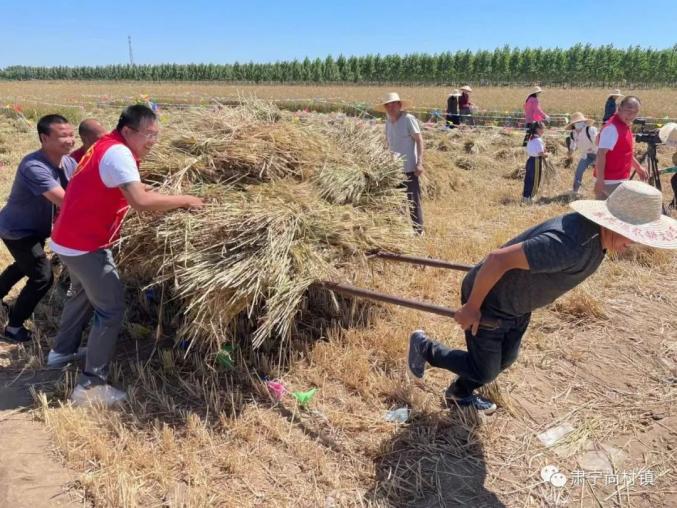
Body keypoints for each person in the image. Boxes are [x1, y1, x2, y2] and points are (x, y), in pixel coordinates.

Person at [407, 181, 677, 414]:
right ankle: (425, 348)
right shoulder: (568, 245)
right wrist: (472, 307)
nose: (634, 243)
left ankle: (459, 392)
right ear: (615, 222)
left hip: (518, 305)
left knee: (505, 360)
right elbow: (497, 260)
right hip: (492, 300)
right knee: (485, 371)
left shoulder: (597, 237)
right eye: (633, 235)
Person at [47, 105, 204, 407]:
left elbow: (121, 186)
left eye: (157, 135)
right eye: (149, 134)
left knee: (80, 294)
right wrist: (184, 200)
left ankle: (61, 353)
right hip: (85, 244)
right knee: (110, 309)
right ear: (128, 130)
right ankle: (91, 386)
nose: (153, 141)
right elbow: (140, 202)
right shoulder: (119, 153)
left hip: (66, 238)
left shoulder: (106, 145)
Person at [0, 114, 76, 342]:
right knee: (42, 277)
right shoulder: (34, 166)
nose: (71, 140)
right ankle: (13, 327)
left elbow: (82, 187)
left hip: (36, 229)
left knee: (25, 266)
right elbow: (67, 201)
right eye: (63, 136)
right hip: (17, 230)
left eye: (72, 135)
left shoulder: (69, 162)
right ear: (44, 138)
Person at [376, 92, 424, 234]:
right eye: (388, 106)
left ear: (399, 105)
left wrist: (420, 162)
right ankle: (401, 231)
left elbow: (419, 140)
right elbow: (387, 143)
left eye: (393, 105)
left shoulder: (408, 119)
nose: (390, 108)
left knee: (413, 201)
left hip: (409, 168)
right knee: (397, 202)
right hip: (394, 169)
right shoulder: (388, 122)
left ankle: (418, 231)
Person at [594, 96, 648, 199]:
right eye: (628, 111)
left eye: (635, 112)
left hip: (617, 180)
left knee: (605, 212)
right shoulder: (612, 128)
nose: (631, 115)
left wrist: (638, 167)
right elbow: (601, 153)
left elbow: (624, 153)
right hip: (610, 182)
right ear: (619, 108)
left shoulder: (624, 125)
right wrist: (600, 180)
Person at [565, 112, 598, 195]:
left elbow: (598, 142)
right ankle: (575, 190)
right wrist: (570, 152)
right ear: (573, 125)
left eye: (580, 122)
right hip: (586, 155)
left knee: (600, 173)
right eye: (576, 123)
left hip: (597, 154)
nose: (578, 124)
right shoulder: (573, 134)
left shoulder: (590, 130)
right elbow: (573, 145)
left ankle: (601, 191)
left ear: (583, 122)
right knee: (578, 172)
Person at [522, 121, 547, 203]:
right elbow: (541, 153)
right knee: (535, 180)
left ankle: (525, 196)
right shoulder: (539, 140)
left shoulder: (530, 138)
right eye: (542, 128)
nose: (544, 130)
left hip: (529, 160)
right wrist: (546, 155)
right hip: (536, 161)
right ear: (537, 129)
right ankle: (531, 197)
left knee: (528, 179)